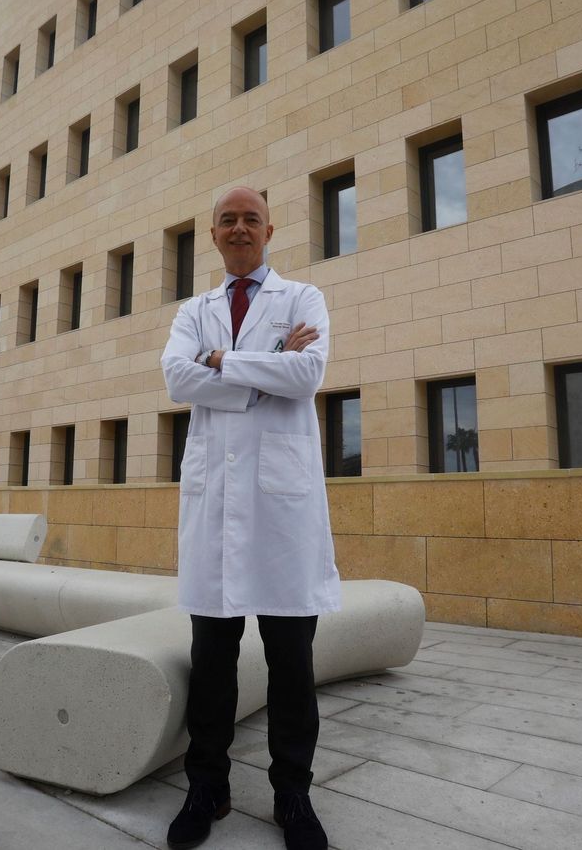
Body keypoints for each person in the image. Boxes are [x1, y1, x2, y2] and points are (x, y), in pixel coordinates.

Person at [160, 186, 339, 850]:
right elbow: (177, 380)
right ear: (213, 234)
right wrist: (264, 372)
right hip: (216, 507)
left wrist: (223, 363)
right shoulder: (193, 309)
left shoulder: (303, 299)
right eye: (228, 220)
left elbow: (308, 373)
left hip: (281, 508)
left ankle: (293, 795)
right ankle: (207, 785)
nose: (240, 228)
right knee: (212, 660)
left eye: (251, 219)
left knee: (292, 661)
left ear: (270, 230)